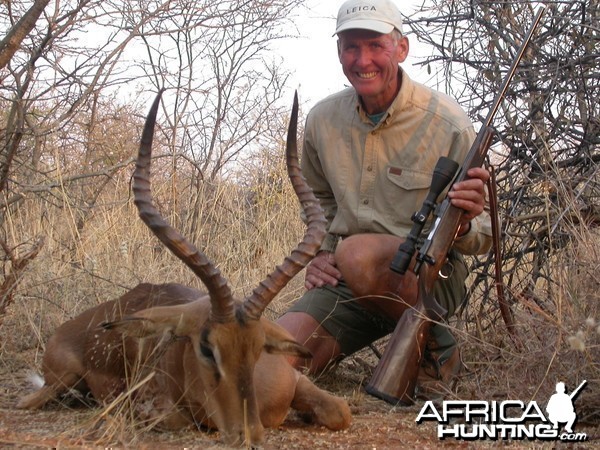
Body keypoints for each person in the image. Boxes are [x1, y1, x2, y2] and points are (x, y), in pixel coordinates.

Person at [277, 0, 492, 394]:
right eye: (351, 47)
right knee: (269, 358)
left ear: (401, 49)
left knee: (358, 254)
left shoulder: (448, 122)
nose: (363, 60)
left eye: (375, 45)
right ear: (339, 52)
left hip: (428, 279)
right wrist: (324, 252)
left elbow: (485, 235)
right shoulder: (322, 121)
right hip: (348, 277)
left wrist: (463, 225)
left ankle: (435, 345)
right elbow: (318, 201)